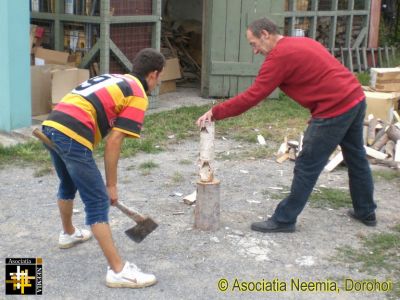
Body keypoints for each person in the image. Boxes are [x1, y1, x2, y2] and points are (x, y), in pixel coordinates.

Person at [196, 18, 377, 233]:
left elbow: (252, 97)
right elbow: (324, 76)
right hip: (355, 98)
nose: (255, 51)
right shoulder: (302, 43)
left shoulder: (278, 58)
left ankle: (284, 219)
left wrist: (215, 112)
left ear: (265, 34)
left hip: (335, 108)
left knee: (307, 166)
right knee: (356, 157)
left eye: (254, 44)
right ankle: (366, 212)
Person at [41, 48, 165, 287]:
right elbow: (114, 141)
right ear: (153, 74)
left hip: (52, 124)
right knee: (98, 201)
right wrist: (111, 186)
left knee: (68, 182)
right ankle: (118, 271)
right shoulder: (138, 94)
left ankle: (68, 233)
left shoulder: (115, 78)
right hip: (73, 133)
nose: (158, 82)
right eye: (159, 78)